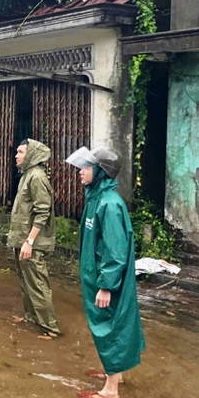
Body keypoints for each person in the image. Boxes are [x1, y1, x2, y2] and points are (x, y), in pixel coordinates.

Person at [66, 146, 145, 398]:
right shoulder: (97, 199)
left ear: (100, 171)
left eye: (86, 167)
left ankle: (111, 391)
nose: (81, 171)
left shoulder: (109, 205)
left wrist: (106, 286)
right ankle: (115, 373)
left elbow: (115, 250)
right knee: (108, 325)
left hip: (107, 281)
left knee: (110, 326)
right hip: (97, 277)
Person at [6, 139, 61, 338]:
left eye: (21, 152)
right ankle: (31, 317)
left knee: (37, 283)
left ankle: (50, 328)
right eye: (17, 152)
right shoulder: (27, 175)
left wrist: (29, 241)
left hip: (31, 243)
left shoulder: (36, 177)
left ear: (31, 154)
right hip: (22, 240)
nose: (16, 155)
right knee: (26, 280)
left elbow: (42, 211)